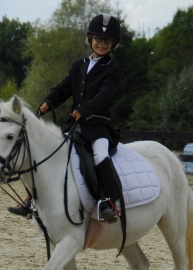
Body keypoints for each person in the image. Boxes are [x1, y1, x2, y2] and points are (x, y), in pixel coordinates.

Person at [8, 14, 122, 221]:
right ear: (90, 39)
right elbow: (63, 88)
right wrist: (49, 101)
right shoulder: (79, 66)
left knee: (100, 156)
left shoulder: (112, 70)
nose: (101, 44)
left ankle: (110, 203)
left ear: (113, 44)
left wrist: (85, 109)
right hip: (75, 126)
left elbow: (103, 96)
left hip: (98, 128)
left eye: (107, 41)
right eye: (98, 39)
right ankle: (31, 199)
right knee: (50, 155)